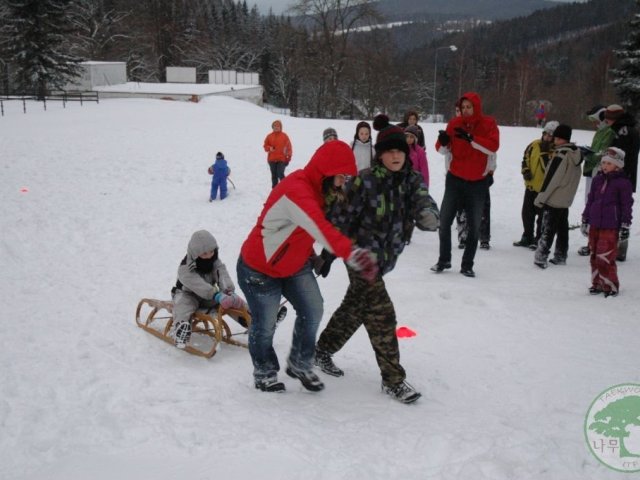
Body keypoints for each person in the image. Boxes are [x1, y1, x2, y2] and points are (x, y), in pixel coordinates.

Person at [314, 114, 439, 404]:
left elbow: (423, 199)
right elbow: (339, 218)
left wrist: (428, 214)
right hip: (359, 256)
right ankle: (393, 379)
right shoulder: (365, 182)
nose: (395, 156)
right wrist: (329, 253)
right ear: (380, 154)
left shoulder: (411, 180)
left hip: (384, 259)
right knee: (382, 315)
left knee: (356, 307)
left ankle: (321, 350)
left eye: (399, 151)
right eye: (389, 151)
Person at [237, 140, 377, 393]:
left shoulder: (322, 191)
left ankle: (300, 363)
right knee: (265, 324)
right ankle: (265, 372)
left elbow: (296, 232)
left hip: (294, 264)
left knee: (313, 308)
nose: (343, 182)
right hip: (260, 268)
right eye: (341, 176)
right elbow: (318, 227)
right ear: (326, 171)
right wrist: (354, 254)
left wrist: (313, 256)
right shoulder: (297, 190)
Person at [431, 92, 500, 277]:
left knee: (475, 225)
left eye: (469, 107)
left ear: (476, 107)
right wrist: (444, 143)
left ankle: (467, 264)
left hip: (477, 183)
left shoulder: (488, 124)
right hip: (454, 180)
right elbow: (442, 149)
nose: (466, 110)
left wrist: (471, 139)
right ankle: (444, 260)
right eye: (463, 107)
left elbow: (493, 146)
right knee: (444, 221)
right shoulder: (454, 123)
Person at [171, 230, 248, 349]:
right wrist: (216, 295)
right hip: (187, 294)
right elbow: (198, 284)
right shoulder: (185, 267)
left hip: (210, 296)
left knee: (232, 302)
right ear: (195, 254)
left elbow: (222, 274)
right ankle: (181, 330)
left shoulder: (214, 262)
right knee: (183, 305)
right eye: (204, 253)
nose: (209, 256)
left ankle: (256, 321)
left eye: (212, 251)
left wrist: (227, 291)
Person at [581, 147, 633, 297]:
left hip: (611, 226)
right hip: (595, 224)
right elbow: (590, 201)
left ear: (618, 165)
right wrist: (586, 219)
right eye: (603, 163)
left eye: (609, 163)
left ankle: (610, 286)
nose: (604, 166)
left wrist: (625, 225)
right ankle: (597, 283)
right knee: (594, 255)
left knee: (605, 257)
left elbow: (626, 205)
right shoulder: (597, 180)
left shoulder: (623, 183)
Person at [533, 124, 582, 268]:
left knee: (548, 228)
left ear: (563, 139)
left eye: (557, 138)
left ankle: (541, 256)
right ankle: (561, 255)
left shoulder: (561, 155)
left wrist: (541, 198)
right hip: (565, 199)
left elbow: (551, 179)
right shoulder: (575, 155)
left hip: (553, 198)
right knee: (562, 228)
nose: (554, 140)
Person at [603, 104, 640, 261]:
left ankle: (618, 249)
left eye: (609, 119)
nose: (607, 122)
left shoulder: (623, 132)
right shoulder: (627, 129)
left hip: (621, 177)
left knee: (618, 211)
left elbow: (619, 156)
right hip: (626, 176)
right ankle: (617, 249)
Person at [514, 121, 558, 248]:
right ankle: (527, 236)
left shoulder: (555, 151)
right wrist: (525, 171)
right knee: (527, 213)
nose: (548, 138)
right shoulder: (534, 145)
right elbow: (525, 159)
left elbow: (548, 168)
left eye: (551, 136)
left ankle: (538, 238)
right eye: (546, 135)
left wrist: (545, 153)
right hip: (531, 186)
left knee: (542, 216)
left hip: (544, 190)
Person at [576, 106, 614, 256]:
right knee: (590, 203)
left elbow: (604, 152)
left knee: (598, 206)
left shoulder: (609, 132)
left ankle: (596, 243)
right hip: (592, 172)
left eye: (595, 120)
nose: (594, 124)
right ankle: (592, 242)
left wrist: (591, 155)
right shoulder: (600, 132)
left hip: (600, 172)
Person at [263, 120, 292, 188]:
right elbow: (265, 146)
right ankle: (275, 190)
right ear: (272, 127)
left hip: (281, 159)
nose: (276, 127)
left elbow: (289, 147)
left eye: (278, 126)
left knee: (280, 174)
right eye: (275, 126)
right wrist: (269, 148)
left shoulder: (284, 136)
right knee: (274, 175)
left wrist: (288, 157)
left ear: (281, 127)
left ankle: (285, 188)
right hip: (271, 159)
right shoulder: (269, 136)